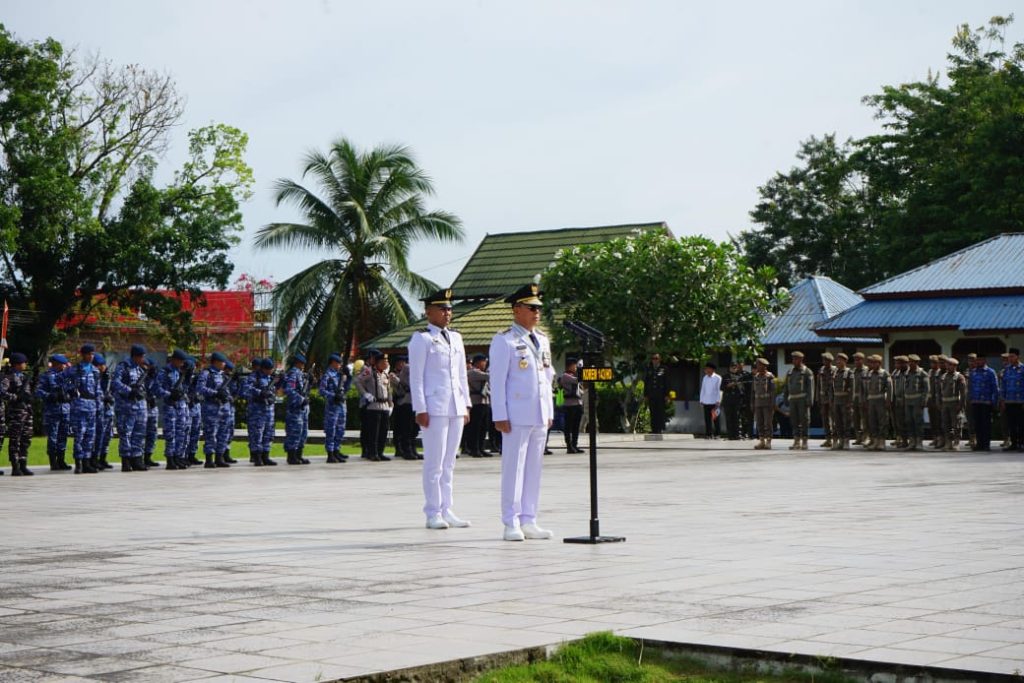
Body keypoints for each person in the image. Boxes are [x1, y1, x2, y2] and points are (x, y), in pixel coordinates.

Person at [489, 283, 555, 542]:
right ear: (517, 309)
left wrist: (549, 410)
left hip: (538, 413)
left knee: (533, 470)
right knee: (513, 469)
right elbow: (497, 380)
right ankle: (511, 521)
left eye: (538, 308)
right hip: (516, 413)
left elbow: (547, 377)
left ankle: (529, 519)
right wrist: (499, 414)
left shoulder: (543, 339)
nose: (537, 312)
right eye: (532, 308)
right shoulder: (504, 340)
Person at [407, 288, 473, 528]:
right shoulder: (422, 338)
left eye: (449, 309)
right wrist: (420, 408)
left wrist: (466, 404)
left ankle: (447, 508)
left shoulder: (456, 337)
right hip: (434, 406)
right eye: (442, 309)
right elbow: (416, 377)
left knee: (449, 462)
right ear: (429, 312)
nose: (447, 313)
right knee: (434, 462)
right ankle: (432, 511)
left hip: (455, 405)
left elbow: (461, 375)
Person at [64, 344, 101, 474]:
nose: (91, 356)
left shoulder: (95, 370)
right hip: (79, 406)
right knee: (80, 434)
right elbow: (61, 380)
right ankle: (78, 463)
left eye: (92, 354)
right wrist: (70, 390)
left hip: (92, 406)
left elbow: (98, 389)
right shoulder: (74, 369)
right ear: (83, 355)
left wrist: (99, 405)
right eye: (88, 354)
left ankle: (86, 462)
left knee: (90, 435)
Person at [113, 345, 149, 472]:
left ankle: (137, 459)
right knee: (126, 433)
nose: (143, 359)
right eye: (141, 357)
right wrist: (129, 390)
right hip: (126, 406)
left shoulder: (140, 369)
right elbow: (116, 383)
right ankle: (126, 460)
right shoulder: (123, 367)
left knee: (139, 433)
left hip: (140, 406)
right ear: (135, 356)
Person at [35, 354, 72, 471]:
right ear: (56, 364)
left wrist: (69, 395)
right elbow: (38, 391)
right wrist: (50, 396)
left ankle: (61, 460)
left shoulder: (66, 376)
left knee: (63, 435)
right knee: (53, 437)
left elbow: (72, 388)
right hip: (52, 411)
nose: (65, 366)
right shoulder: (47, 375)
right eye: (63, 364)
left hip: (65, 410)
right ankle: (53, 461)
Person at [155, 349, 190, 470]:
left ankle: (177, 457)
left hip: (180, 406)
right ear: (174, 359)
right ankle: (170, 459)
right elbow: (157, 388)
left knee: (180, 433)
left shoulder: (179, 372)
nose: (182, 363)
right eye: (180, 361)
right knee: (171, 434)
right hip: (170, 406)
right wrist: (169, 394)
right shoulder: (164, 372)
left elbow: (184, 388)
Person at [356, 349, 392, 462]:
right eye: (384, 361)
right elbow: (357, 381)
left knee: (383, 431)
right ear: (378, 362)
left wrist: (391, 404)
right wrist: (365, 394)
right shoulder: (369, 371)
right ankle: (372, 453)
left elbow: (388, 390)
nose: (386, 363)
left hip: (384, 406)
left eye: (386, 361)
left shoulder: (385, 374)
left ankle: (380, 452)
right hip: (374, 406)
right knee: (374, 432)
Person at [198, 351, 233, 468]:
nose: (224, 364)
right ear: (216, 362)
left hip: (224, 408)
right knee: (210, 434)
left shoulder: (223, 375)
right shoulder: (206, 373)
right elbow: (200, 388)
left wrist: (227, 396)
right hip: (211, 408)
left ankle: (219, 458)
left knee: (223, 433)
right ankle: (209, 459)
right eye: (222, 362)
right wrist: (215, 393)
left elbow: (227, 391)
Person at [3, 353, 34, 476]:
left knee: (26, 439)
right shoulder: (8, 377)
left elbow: (29, 393)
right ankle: (15, 466)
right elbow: (2, 393)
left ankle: (23, 464)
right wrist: (16, 397)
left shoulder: (24, 376)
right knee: (15, 439)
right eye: (23, 362)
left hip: (27, 411)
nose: (25, 364)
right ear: (17, 364)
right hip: (16, 413)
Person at [321, 352, 352, 463]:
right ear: (333, 363)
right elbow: (322, 391)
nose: (340, 365)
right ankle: (330, 453)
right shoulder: (327, 375)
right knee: (331, 430)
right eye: (338, 363)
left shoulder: (340, 375)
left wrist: (349, 377)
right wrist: (333, 396)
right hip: (332, 407)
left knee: (340, 429)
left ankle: (336, 450)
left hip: (341, 406)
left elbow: (346, 388)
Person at [247, 358, 278, 466]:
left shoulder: (270, 378)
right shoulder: (254, 376)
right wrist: (260, 392)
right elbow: (246, 388)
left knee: (268, 434)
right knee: (257, 434)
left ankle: (266, 456)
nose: (271, 371)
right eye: (269, 369)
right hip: (257, 410)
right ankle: (257, 457)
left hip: (269, 410)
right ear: (264, 369)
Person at [282, 353, 311, 465]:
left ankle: (299, 455)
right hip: (295, 409)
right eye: (302, 363)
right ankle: (291, 456)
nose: (303, 366)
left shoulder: (300, 374)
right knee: (294, 432)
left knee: (302, 432)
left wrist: (310, 382)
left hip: (302, 409)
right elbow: (289, 390)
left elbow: (304, 389)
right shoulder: (293, 373)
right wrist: (301, 399)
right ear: (298, 363)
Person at [968, 354, 998, 452]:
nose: (978, 362)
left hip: (986, 402)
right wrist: (970, 398)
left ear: (985, 360)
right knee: (977, 424)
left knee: (986, 424)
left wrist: (994, 401)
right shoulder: (973, 372)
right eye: (977, 360)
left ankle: (986, 444)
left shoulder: (990, 372)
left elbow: (995, 387)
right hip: (975, 401)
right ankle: (979, 444)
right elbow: (970, 387)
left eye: (980, 360)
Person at [784, 351, 814, 450]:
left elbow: (810, 388)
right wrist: (785, 398)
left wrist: (810, 400)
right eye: (793, 359)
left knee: (804, 420)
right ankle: (796, 441)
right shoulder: (790, 372)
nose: (794, 361)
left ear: (801, 359)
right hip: (792, 399)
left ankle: (804, 440)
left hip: (802, 399)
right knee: (794, 420)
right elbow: (786, 386)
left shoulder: (807, 372)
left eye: (796, 359)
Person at [389, 355, 416, 461]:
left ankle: (411, 448)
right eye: (399, 363)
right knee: (402, 428)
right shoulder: (395, 374)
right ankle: (402, 449)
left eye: (403, 362)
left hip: (411, 401)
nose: (402, 364)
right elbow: (400, 389)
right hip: (401, 402)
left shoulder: (407, 371)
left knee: (413, 428)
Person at [465, 354, 493, 457]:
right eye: (484, 361)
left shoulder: (480, 372)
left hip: (484, 402)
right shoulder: (473, 372)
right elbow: (490, 376)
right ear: (478, 362)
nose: (485, 364)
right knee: (476, 428)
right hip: (476, 403)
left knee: (483, 427)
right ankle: (474, 449)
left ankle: (481, 448)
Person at [864, 354, 892, 451]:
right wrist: (866, 400)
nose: (872, 364)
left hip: (880, 400)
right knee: (872, 421)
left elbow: (889, 388)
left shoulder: (885, 374)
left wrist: (888, 400)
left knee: (882, 421)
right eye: (871, 362)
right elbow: (866, 389)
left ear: (879, 363)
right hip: (871, 400)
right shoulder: (869, 374)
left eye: (874, 362)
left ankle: (881, 441)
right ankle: (875, 440)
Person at [902, 354, 930, 451]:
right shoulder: (907, 373)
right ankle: (912, 441)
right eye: (909, 362)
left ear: (917, 363)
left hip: (917, 401)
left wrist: (924, 401)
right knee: (909, 421)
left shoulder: (922, 374)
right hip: (908, 401)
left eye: (912, 362)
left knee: (918, 421)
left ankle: (919, 442)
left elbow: (926, 389)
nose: (910, 364)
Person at [938, 356, 967, 451]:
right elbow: (939, 391)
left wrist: (961, 405)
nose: (948, 366)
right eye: (947, 364)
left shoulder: (959, 377)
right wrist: (939, 402)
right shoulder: (943, 376)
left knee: (956, 424)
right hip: (945, 403)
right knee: (945, 424)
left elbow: (963, 393)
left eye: (950, 365)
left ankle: (956, 442)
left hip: (955, 404)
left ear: (955, 366)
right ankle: (948, 442)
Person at [93, 353, 115, 470]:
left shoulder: (108, 377)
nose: (101, 367)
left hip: (108, 410)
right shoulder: (93, 377)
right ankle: (94, 459)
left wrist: (111, 397)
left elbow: (114, 390)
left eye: (102, 365)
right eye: (99, 365)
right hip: (97, 411)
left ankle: (103, 458)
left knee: (107, 436)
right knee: (97, 436)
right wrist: (103, 398)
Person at [558, 358, 584, 453]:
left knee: (576, 426)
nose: (576, 367)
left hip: (577, 403)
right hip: (569, 405)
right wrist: (581, 368)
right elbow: (578, 380)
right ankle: (569, 446)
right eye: (575, 366)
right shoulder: (565, 376)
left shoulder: (573, 375)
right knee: (568, 427)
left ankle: (575, 445)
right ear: (570, 366)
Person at [830, 353, 855, 450]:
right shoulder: (834, 372)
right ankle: (840, 440)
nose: (838, 362)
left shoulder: (849, 372)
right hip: (836, 399)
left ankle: (846, 440)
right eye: (837, 360)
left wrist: (850, 401)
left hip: (845, 399)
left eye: (840, 360)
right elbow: (831, 388)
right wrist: (831, 399)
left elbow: (852, 388)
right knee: (837, 421)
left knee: (846, 421)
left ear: (845, 361)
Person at [1001, 347, 1023, 451]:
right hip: (1009, 401)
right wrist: (1002, 399)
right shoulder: (1007, 369)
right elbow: (1003, 385)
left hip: (1020, 401)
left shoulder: (1022, 369)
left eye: (1012, 356)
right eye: (1009, 356)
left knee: (1021, 423)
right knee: (1011, 424)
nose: (1010, 358)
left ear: (1018, 357)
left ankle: (1022, 443)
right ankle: (1013, 444)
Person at [751, 358, 775, 450]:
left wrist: (773, 403)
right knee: (759, 422)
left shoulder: (770, 376)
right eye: (757, 365)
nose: (757, 366)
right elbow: (753, 392)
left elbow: (773, 391)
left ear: (764, 366)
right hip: (758, 403)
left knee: (767, 423)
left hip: (767, 403)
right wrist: (752, 403)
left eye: (758, 365)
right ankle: (761, 441)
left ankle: (768, 441)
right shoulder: (755, 376)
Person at [643, 353, 668, 434]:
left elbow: (667, 382)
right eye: (653, 358)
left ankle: (659, 429)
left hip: (661, 394)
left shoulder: (664, 369)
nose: (654, 360)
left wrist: (667, 395)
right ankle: (654, 429)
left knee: (660, 411)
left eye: (656, 358)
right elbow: (646, 382)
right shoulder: (649, 369)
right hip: (651, 394)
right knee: (653, 412)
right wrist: (645, 395)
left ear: (660, 359)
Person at [721, 362, 744, 441]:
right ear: (729, 368)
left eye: (735, 367)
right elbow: (722, 387)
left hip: (737, 399)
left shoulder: (740, 376)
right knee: (729, 417)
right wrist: (729, 385)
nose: (734, 369)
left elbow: (742, 389)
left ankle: (737, 434)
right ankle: (730, 435)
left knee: (736, 417)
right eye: (732, 367)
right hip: (728, 399)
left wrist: (738, 384)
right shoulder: (725, 376)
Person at [817, 353, 836, 448]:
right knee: (825, 419)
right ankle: (828, 439)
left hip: (833, 398)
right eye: (823, 360)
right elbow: (818, 385)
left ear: (830, 361)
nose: (824, 362)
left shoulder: (835, 370)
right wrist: (818, 398)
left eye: (826, 360)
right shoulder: (821, 370)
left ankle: (835, 438)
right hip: (823, 398)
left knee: (835, 419)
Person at [851, 352, 869, 445]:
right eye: (855, 360)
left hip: (864, 398)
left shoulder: (867, 371)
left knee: (864, 418)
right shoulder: (853, 372)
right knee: (855, 419)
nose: (856, 362)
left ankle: (865, 437)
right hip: (854, 398)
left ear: (862, 360)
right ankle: (858, 437)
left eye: (858, 360)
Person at [699, 362, 721, 439]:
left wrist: (718, 400)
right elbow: (703, 389)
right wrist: (701, 400)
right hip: (706, 401)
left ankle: (717, 434)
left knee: (715, 418)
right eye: (706, 369)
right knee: (707, 419)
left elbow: (719, 390)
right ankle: (708, 434)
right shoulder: (705, 378)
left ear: (712, 369)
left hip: (715, 402)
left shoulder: (718, 378)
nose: (706, 370)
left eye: (708, 369)